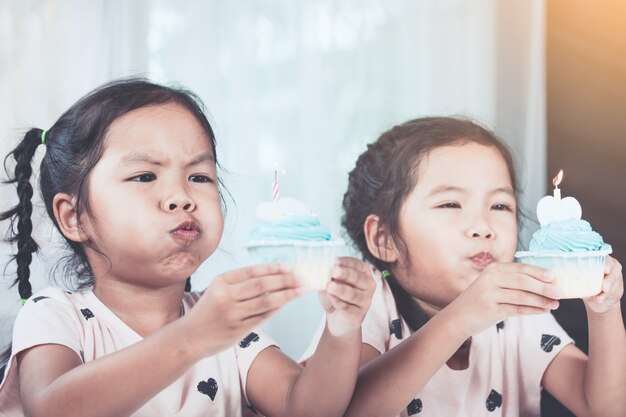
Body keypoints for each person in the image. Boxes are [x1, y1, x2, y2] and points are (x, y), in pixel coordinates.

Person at [0, 78, 375, 417]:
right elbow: (51, 409)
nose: (181, 197)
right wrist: (193, 337)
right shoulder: (54, 315)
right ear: (74, 217)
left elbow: (305, 408)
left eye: (199, 176)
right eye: (145, 176)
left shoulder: (226, 330)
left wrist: (341, 329)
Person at [301, 117, 625, 417]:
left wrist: (604, 311)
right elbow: (350, 412)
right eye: (450, 204)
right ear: (384, 238)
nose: (483, 226)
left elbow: (604, 408)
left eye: (499, 205)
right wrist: (461, 318)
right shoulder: (368, 302)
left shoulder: (517, 312)